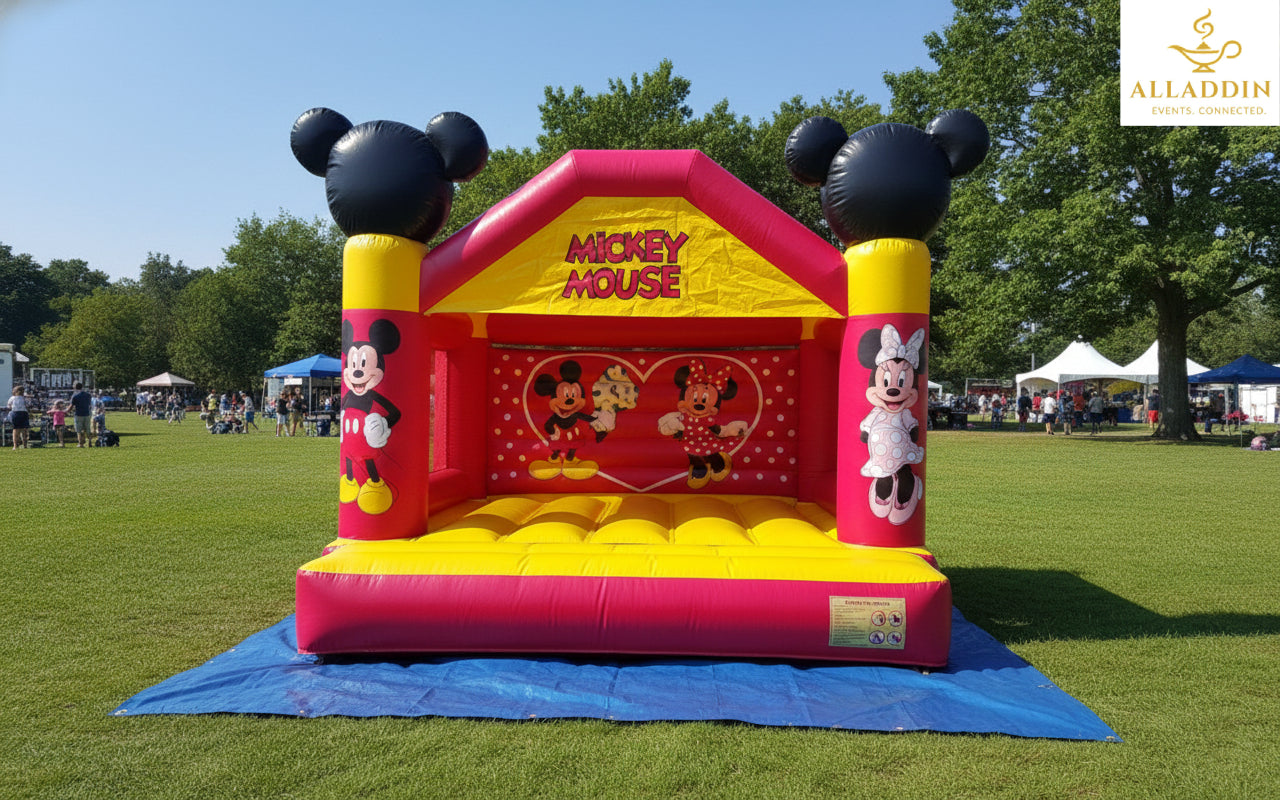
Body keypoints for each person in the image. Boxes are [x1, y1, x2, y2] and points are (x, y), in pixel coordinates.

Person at [68, 381, 93, 448]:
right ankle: (89, 442)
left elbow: (71, 406)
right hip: (87, 414)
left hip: (78, 414)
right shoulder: (88, 395)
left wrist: (66, 411)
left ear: (75, 387)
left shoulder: (75, 395)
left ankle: (80, 444)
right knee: (87, 429)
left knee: (79, 430)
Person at [7, 386, 31, 450]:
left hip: (20, 413)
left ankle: (22, 445)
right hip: (18, 413)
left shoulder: (22, 398)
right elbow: (28, 405)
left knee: (22, 430)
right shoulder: (14, 398)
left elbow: (9, 406)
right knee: (18, 430)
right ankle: (16, 445)